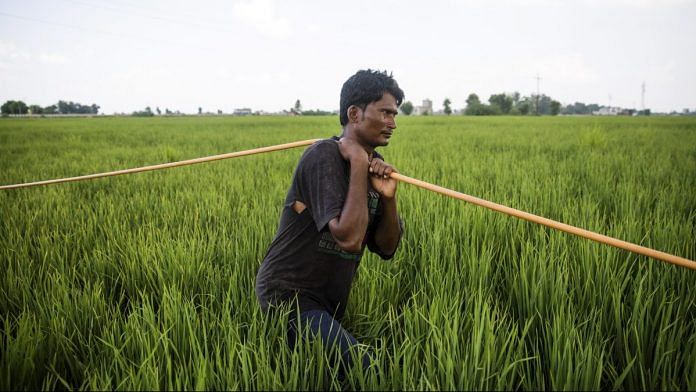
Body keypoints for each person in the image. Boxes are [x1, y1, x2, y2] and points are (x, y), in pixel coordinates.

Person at [254, 69, 405, 378]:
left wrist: (388, 198)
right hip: (289, 296)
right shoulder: (323, 156)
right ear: (354, 113)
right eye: (385, 112)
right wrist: (361, 164)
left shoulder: (371, 168)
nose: (392, 122)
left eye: (395, 114)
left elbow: (387, 248)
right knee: (370, 373)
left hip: (327, 302)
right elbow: (348, 238)